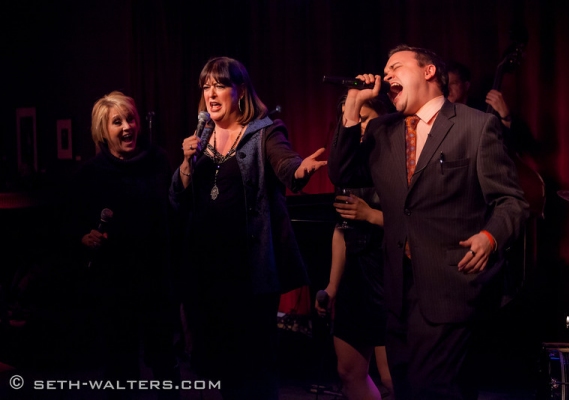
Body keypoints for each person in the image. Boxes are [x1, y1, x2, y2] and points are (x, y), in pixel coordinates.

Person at [328, 44, 529, 400]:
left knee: (433, 390)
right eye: (385, 69)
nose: (387, 74)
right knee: (404, 388)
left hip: (450, 287)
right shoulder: (382, 131)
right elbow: (342, 170)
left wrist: (490, 236)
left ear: (428, 72)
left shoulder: (476, 126)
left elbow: (511, 201)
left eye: (396, 67)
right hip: (396, 291)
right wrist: (353, 104)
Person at [169, 56, 327, 400]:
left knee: (255, 364)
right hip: (207, 269)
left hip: (249, 270)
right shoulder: (200, 138)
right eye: (206, 86)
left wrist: (301, 171)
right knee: (220, 363)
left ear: (239, 91)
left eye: (220, 85)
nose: (211, 93)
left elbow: (286, 165)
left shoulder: (264, 131)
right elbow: (176, 199)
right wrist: (185, 163)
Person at [66, 91, 178, 398]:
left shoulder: (158, 161)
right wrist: (82, 236)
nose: (128, 126)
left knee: (165, 362)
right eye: (118, 122)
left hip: (156, 280)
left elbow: (174, 216)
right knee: (120, 367)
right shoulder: (91, 174)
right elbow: (69, 221)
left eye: (131, 118)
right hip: (114, 285)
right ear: (103, 130)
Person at [316, 95, 394, 400]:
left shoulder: (400, 159)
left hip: (387, 275)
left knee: (392, 378)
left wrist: (371, 215)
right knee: (348, 372)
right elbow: (341, 230)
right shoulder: (348, 167)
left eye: (365, 118)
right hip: (356, 279)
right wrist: (332, 287)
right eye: (354, 119)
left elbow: (419, 224)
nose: (359, 126)